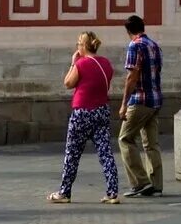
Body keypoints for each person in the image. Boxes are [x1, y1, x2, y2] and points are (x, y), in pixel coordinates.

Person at [49, 31, 119, 205]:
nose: (77, 47)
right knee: (105, 152)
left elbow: (68, 83)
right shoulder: (106, 63)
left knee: (72, 154)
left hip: (82, 112)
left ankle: (64, 193)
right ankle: (113, 192)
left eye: (78, 44)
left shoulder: (81, 63)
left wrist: (73, 63)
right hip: (102, 110)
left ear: (83, 46)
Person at [119, 14, 164, 198]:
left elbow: (132, 76)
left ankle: (140, 182)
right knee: (151, 144)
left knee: (125, 138)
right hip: (155, 99)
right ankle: (156, 185)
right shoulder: (154, 45)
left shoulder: (135, 45)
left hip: (140, 99)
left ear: (128, 31)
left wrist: (123, 104)